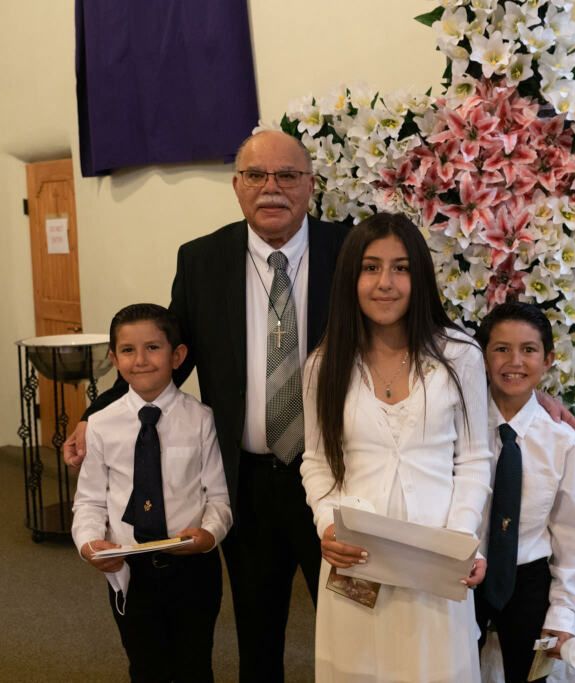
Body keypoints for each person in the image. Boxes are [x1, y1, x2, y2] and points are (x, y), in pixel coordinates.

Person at [63, 130, 350, 682]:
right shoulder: (202, 259)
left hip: (338, 476)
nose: (272, 188)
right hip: (246, 480)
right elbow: (168, 356)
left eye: (287, 175)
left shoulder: (351, 252)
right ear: (237, 186)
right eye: (256, 176)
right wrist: (95, 413)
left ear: (311, 185)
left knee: (350, 620)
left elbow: (416, 333)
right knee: (257, 626)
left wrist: (522, 392)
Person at [301, 213, 493, 682]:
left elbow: (473, 459)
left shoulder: (459, 356)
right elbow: (317, 462)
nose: (385, 283)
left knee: (435, 668)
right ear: (351, 278)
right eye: (371, 267)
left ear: (419, 277)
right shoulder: (323, 366)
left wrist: (462, 539)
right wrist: (328, 525)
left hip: (434, 555)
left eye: (401, 268)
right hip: (357, 558)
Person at [72, 303, 232, 683]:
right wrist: (89, 543)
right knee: (145, 666)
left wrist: (211, 534)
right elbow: (90, 500)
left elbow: (219, 497)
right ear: (114, 358)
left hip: (193, 567)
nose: (140, 360)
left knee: (195, 664)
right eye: (128, 350)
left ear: (177, 355)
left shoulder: (202, 421)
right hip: (129, 570)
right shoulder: (100, 425)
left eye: (153, 348)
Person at [473, 302, 575, 683]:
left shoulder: (561, 441)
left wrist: (562, 613)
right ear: (483, 356)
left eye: (528, 350)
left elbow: (571, 532)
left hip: (528, 579)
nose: (515, 361)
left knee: (528, 676)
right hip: (463, 571)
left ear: (548, 360)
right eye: (501, 348)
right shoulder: (460, 425)